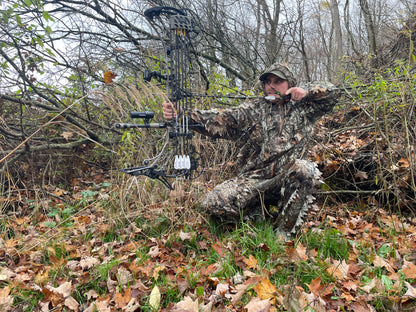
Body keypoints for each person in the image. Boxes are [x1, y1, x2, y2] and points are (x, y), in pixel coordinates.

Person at [162, 63, 340, 235]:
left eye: (278, 82)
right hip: (255, 180)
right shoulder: (253, 110)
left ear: (290, 84)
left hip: (287, 178)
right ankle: (255, 215)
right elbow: (220, 119)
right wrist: (182, 115)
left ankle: (283, 232)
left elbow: (333, 92)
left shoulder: (305, 108)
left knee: (305, 169)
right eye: (267, 82)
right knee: (212, 202)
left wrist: (306, 91)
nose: (271, 87)